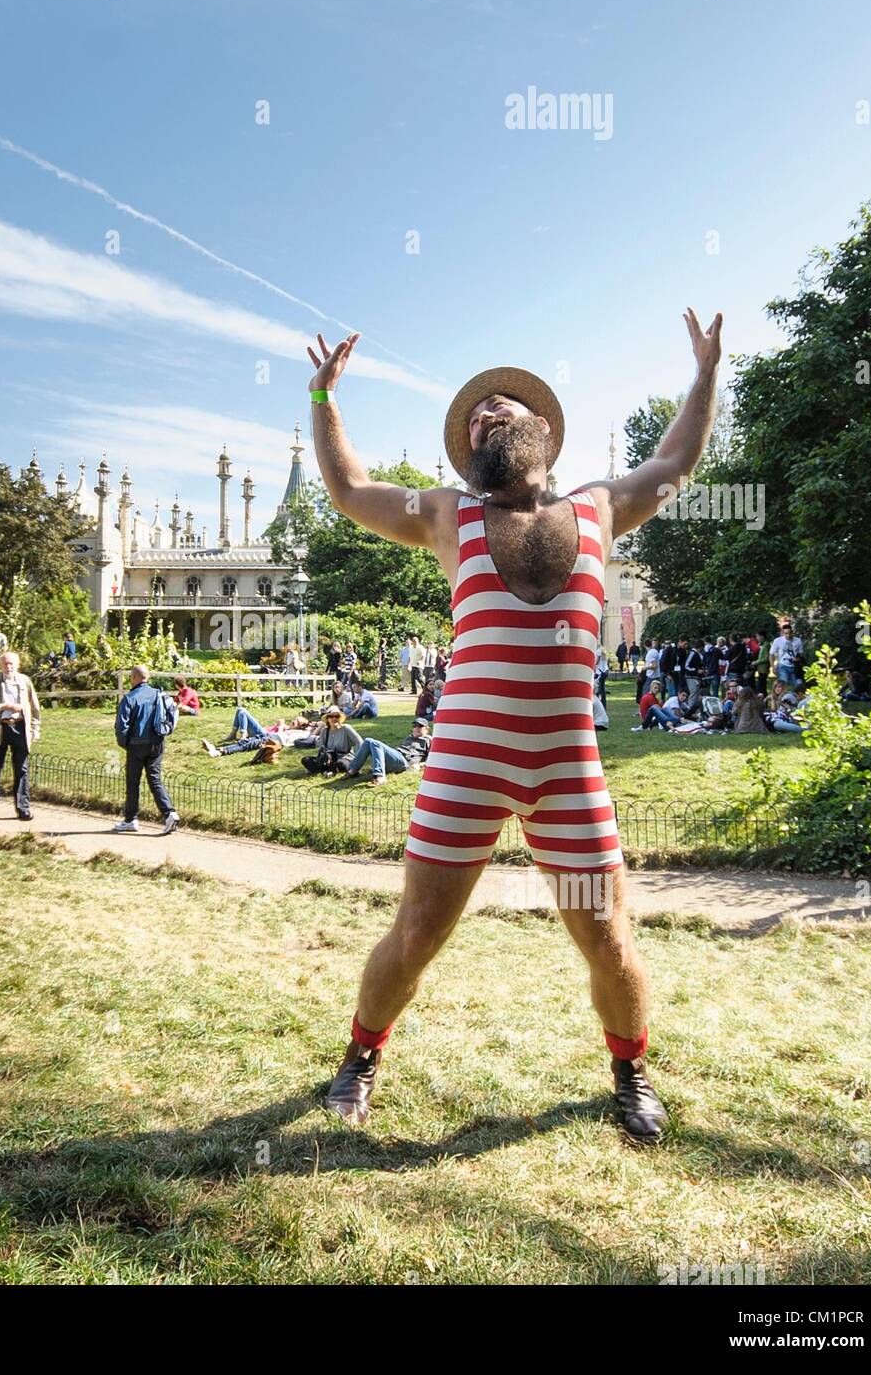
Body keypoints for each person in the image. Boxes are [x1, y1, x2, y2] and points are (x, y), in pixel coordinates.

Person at [305, 307, 723, 1140]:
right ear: (469, 448)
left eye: (503, 406)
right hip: (465, 760)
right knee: (419, 931)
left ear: (543, 431)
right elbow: (349, 491)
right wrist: (324, 401)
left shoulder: (603, 505)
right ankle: (361, 1055)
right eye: (474, 414)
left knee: (608, 937)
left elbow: (676, 458)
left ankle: (630, 1071)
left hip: (568, 770)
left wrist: (706, 373)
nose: (487, 412)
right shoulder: (441, 515)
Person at [112, 664, 180, 835]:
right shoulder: (158, 694)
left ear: (134, 677)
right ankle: (170, 813)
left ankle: (131, 819)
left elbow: (121, 726)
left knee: (133, 782)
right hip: (157, 743)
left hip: (136, 745)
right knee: (155, 780)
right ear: (147, 677)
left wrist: (125, 743)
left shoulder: (130, 698)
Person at [0, 649, 40, 820]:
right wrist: (3, 706)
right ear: (0, 665)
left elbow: (34, 707)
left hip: (20, 728)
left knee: (22, 769)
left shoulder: (25, 681)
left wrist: (35, 729)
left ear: (18, 665)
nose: (8, 666)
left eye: (11, 663)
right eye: (5, 663)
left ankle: (23, 808)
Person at [342, 717, 432, 786]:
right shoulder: (410, 737)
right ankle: (353, 770)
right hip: (396, 757)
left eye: (420, 726)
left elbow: (432, 759)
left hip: (404, 761)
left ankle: (380, 776)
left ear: (427, 729)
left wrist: (419, 764)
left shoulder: (429, 740)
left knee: (376, 743)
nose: (416, 728)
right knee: (368, 741)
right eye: (414, 726)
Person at [300, 706, 361, 775]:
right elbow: (322, 747)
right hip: (329, 759)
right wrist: (323, 758)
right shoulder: (324, 731)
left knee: (341, 764)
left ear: (339, 718)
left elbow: (359, 742)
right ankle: (327, 770)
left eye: (336, 716)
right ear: (327, 719)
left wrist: (358, 760)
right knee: (306, 760)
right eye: (331, 716)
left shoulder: (346, 728)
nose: (334, 718)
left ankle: (322, 770)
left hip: (345, 757)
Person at [770, 622, 804, 691]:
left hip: (795, 667)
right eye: (786, 633)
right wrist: (773, 667)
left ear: (792, 632)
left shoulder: (798, 641)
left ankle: (797, 700)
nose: (788, 635)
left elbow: (801, 654)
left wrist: (798, 659)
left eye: (789, 633)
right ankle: (782, 700)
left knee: (799, 686)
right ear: (783, 633)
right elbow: (771, 654)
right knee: (782, 685)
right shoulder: (778, 641)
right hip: (783, 666)